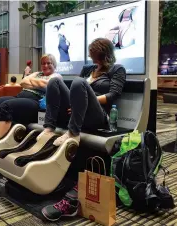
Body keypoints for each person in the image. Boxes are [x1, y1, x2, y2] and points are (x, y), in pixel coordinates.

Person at [40, 38, 126, 221]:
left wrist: (86, 100)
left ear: (104, 55)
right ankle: (48, 127)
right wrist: (76, 101)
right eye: (91, 55)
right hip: (79, 112)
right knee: (54, 82)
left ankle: (73, 134)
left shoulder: (117, 69)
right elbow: (75, 92)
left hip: (98, 115)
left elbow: (113, 95)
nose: (91, 58)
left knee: (79, 83)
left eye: (95, 56)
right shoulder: (88, 69)